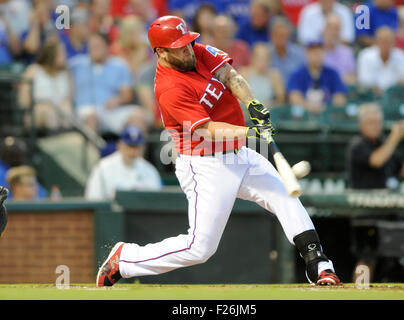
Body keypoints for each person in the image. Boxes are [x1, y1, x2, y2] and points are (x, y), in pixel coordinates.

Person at [96, 15, 340, 287]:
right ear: (161, 53)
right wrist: (250, 133)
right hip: (205, 165)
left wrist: (252, 104)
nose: (188, 49)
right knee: (199, 249)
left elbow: (230, 76)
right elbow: (207, 130)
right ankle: (126, 259)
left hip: (237, 153)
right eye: (179, 47)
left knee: (284, 194)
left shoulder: (196, 52)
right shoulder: (169, 87)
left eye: (188, 42)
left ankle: (318, 264)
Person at [69, 32, 147, 134]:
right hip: (85, 110)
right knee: (91, 116)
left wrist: (117, 100)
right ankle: (92, 150)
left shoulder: (119, 65)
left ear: (107, 47)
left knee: (138, 116)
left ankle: (135, 149)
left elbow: (127, 94)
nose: (94, 50)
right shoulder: (77, 64)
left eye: (98, 46)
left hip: (111, 110)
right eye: (91, 47)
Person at [347, 103, 404, 189]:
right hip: (362, 199)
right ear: (361, 125)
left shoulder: (384, 142)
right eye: (371, 123)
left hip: (386, 198)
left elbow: (403, 170)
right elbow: (376, 161)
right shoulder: (357, 144)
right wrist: (395, 137)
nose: (375, 126)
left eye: (378, 122)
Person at [85, 126, 163, 201]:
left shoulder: (150, 170)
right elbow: (93, 198)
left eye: (136, 147)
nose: (133, 151)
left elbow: (157, 201)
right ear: (120, 145)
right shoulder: (103, 167)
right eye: (130, 146)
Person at [18, 37, 73, 133]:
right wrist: (43, 105)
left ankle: (66, 140)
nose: (65, 56)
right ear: (51, 55)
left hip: (60, 111)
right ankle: (55, 141)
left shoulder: (66, 74)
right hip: (38, 110)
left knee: (66, 109)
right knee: (49, 112)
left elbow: (69, 98)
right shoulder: (33, 70)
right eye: (61, 54)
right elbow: (23, 100)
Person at [288, 40, 347, 116]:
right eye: (313, 52)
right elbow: (294, 98)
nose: (316, 55)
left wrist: (325, 108)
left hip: (328, 116)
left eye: (319, 52)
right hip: (304, 117)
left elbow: (340, 98)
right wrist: (311, 108)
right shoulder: (297, 74)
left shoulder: (332, 73)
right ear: (306, 54)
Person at [357, 26, 404, 95]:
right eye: (382, 42)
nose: (386, 45)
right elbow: (364, 80)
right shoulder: (365, 56)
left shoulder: (402, 56)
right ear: (376, 42)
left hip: (395, 96)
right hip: (371, 96)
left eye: (388, 42)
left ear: (394, 42)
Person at [239, 42, 286, 108]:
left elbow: (281, 100)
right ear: (252, 58)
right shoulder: (244, 73)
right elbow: (238, 100)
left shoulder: (274, 75)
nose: (262, 62)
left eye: (265, 58)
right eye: (259, 58)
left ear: (269, 60)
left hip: (268, 111)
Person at [268, 15, 306, 90]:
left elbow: (303, 76)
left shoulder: (299, 53)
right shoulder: (265, 53)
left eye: (283, 35)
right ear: (271, 36)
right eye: (277, 35)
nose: (280, 39)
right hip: (273, 96)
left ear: (288, 36)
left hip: (295, 92)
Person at [322, 13, 356, 85]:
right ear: (324, 29)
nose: (333, 32)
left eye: (337, 29)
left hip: (343, 91)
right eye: (330, 28)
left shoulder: (347, 52)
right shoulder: (316, 50)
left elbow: (352, 79)